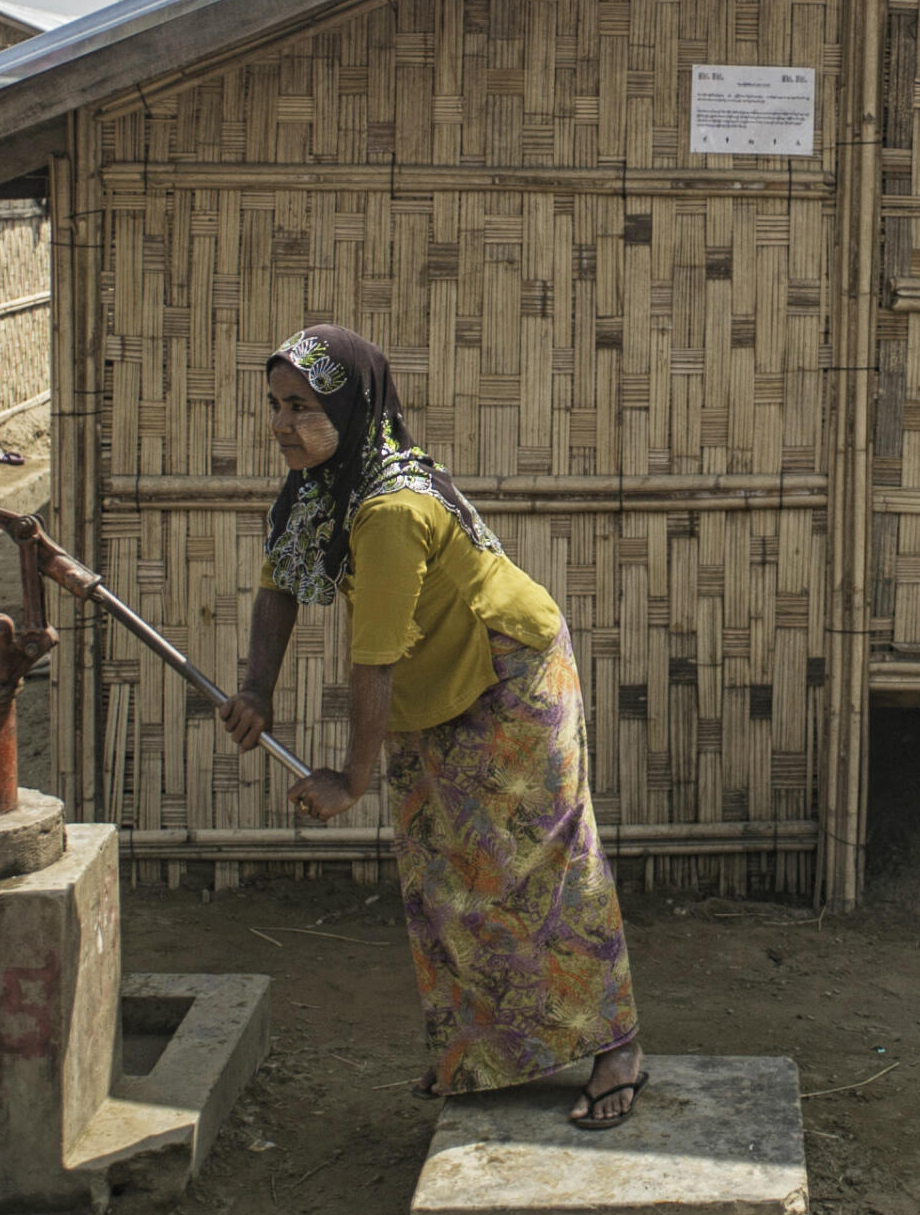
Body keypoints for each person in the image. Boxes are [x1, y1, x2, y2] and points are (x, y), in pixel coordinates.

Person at [222, 324, 645, 1128]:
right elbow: (280, 585)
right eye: (275, 405)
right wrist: (255, 690)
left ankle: (617, 1045)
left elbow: (373, 657)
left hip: (511, 675)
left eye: (302, 408)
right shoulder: (319, 486)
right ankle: (484, 1054)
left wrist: (349, 780)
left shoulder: (387, 508)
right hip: (434, 682)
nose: (282, 424)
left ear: (349, 408)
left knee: (542, 865)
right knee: (446, 873)